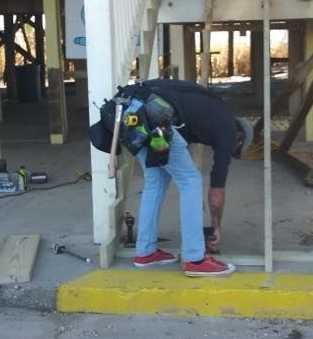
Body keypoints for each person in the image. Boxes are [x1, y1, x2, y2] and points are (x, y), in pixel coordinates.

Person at [89, 79, 253, 277]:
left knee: (156, 179)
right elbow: (217, 189)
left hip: (130, 113)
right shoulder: (228, 130)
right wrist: (216, 226)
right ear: (239, 137)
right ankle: (195, 259)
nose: (230, 151)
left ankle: (145, 251)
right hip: (152, 118)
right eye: (235, 150)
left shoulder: (211, 111)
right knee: (190, 180)